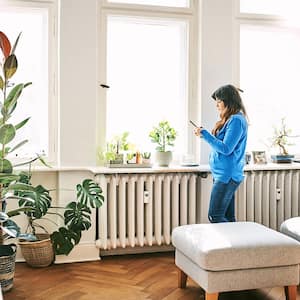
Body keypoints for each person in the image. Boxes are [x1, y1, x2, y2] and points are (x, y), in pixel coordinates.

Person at [194, 84, 248, 223]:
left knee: (215, 216)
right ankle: (235, 244)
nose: (217, 105)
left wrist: (205, 134)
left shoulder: (236, 120)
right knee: (228, 217)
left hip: (227, 175)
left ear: (228, 101)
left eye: (219, 101)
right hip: (223, 174)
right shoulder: (231, 119)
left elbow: (226, 148)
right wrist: (204, 135)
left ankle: (237, 244)